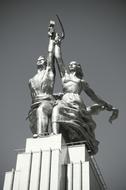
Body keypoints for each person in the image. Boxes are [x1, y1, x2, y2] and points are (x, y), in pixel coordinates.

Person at [52, 35, 116, 154]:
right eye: (70, 64)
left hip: (76, 102)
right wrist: (57, 44)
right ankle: (54, 136)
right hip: (65, 99)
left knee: (78, 124)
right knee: (56, 109)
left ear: (78, 68)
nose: (71, 65)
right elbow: (58, 58)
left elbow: (94, 97)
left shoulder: (81, 82)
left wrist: (107, 105)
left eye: (74, 64)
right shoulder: (65, 76)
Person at [28, 20, 56, 138]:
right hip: (34, 105)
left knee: (41, 110)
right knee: (34, 117)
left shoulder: (48, 72)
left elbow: (50, 53)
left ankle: (41, 135)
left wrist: (51, 38)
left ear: (45, 63)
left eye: (42, 59)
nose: (39, 60)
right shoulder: (31, 80)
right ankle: (41, 134)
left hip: (47, 102)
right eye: (38, 59)